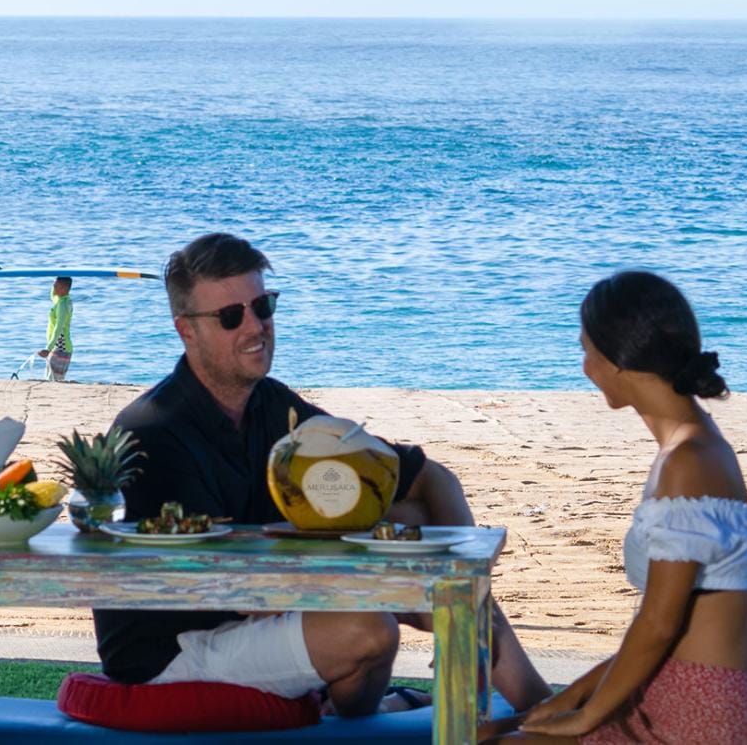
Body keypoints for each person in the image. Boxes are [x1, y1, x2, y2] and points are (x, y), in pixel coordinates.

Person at [92, 233, 549, 716]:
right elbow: (233, 588)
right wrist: (393, 588)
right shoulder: (154, 429)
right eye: (231, 317)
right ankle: (335, 716)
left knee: (409, 516)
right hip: (175, 649)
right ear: (187, 331)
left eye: (263, 306)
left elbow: (432, 480)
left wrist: (459, 596)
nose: (255, 327)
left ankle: (541, 709)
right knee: (368, 629)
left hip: (255, 608)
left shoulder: (271, 406)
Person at [489, 271, 747, 743]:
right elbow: (662, 627)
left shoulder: (690, 462)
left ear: (617, 358)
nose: (584, 367)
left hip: (700, 715)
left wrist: (583, 716)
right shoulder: (688, 451)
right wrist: (567, 698)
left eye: (586, 350)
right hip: (667, 694)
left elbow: (660, 624)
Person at [38, 276, 73, 381]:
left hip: (61, 348)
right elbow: (52, 295)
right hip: (57, 347)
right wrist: (57, 274)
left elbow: (59, 328)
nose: (53, 286)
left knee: (54, 380)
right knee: (53, 379)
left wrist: (48, 348)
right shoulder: (61, 299)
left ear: (64, 288)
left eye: (56, 285)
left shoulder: (63, 306)